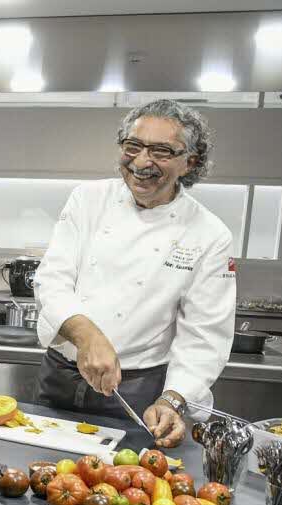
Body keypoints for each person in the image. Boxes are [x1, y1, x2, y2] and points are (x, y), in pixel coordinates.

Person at [33, 98, 236, 448]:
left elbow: (205, 336)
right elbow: (52, 280)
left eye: (161, 151)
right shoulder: (88, 199)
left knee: (123, 488)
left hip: (138, 392)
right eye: (133, 146)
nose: (142, 162)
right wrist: (88, 336)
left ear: (191, 162)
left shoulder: (209, 233)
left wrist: (173, 399)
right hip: (60, 377)